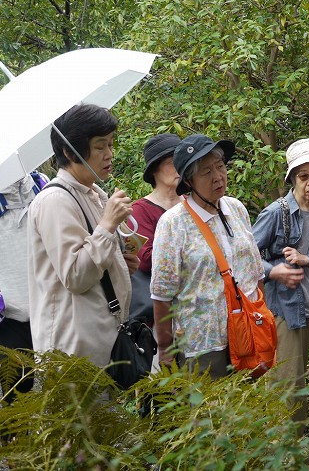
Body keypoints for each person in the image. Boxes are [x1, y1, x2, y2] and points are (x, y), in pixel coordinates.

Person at [27, 104, 138, 367]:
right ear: (69, 150)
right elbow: (76, 275)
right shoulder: (54, 200)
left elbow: (94, 257)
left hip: (103, 339)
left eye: (111, 144)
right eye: (100, 146)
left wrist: (120, 263)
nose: (109, 154)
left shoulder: (93, 193)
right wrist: (109, 224)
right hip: (73, 349)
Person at [252, 138, 309, 440]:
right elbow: (247, 257)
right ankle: (288, 444)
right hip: (287, 306)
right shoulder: (275, 213)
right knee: (289, 380)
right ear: (292, 178)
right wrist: (274, 270)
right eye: (304, 176)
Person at [151, 134, 265, 379]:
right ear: (189, 181)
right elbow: (161, 294)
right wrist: (165, 350)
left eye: (220, 167)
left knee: (250, 412)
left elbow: (256, 272)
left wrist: (262, 316)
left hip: (247, 335)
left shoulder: (236, 209)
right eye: (206, 172)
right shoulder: (173, 223)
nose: (218, 176)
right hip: (202, 347)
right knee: (210, 415)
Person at [0, 171, 47, 403]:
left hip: (50, 307)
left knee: (63, 388)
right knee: (17, 396)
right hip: (9, 316)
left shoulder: (40, 184)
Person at [129, 133, 182, 325]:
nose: (179, 166)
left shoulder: (194, 203)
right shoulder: (138, 211)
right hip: (161, 314)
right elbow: (145, 260)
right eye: (171, 161)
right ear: (154, 170)